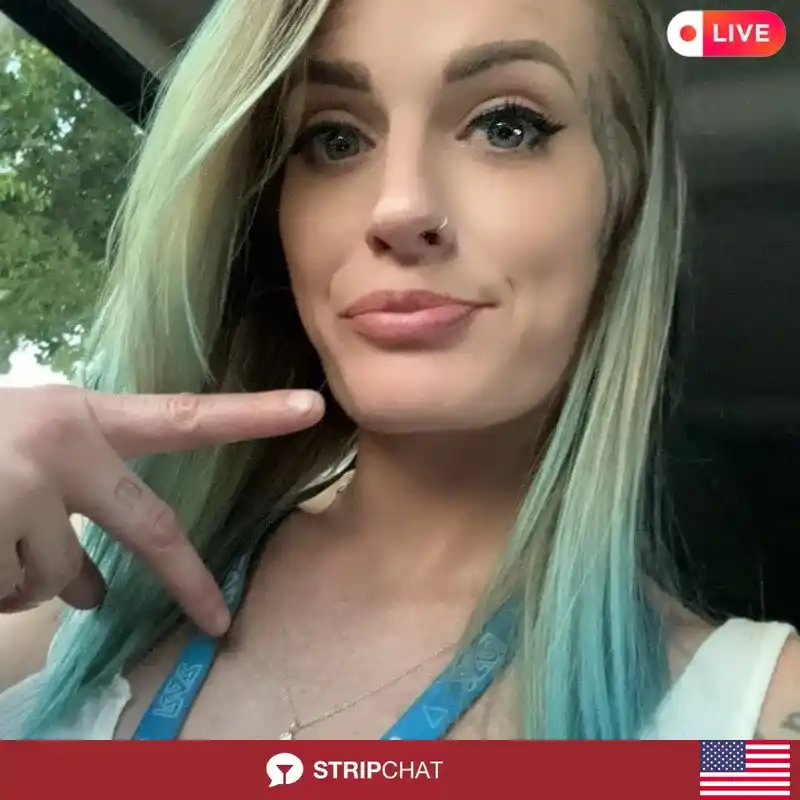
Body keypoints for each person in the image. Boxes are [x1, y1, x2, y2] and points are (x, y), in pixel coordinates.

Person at [0, 0, 797, 741]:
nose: (400, 208)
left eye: (507, 127)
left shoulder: (746, 726)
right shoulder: (69, 588)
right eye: (334, 139)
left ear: (624, 202)